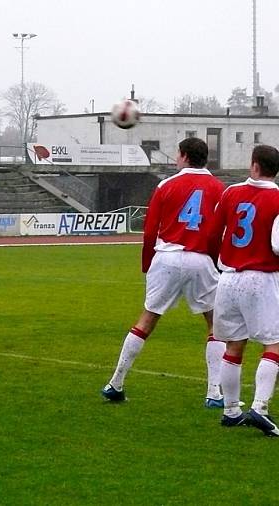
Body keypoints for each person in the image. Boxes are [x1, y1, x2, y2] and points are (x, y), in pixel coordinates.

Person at [101, 137, 226, 406]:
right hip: (200, 258)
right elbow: (218, 233)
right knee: (215, 324)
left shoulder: (166, 185)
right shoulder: (218, 188)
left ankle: (116, 382)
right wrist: (215, 262)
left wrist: (148, 264)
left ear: (183, 156)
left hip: (167, 257)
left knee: (147, 319)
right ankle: (214, 393)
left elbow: (149, 231)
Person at [209, 145, 279, 435]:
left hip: (228, 277)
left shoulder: (230, 192)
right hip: (261, 277)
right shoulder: (277, 198)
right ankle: (259, 407)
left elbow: (216, 232)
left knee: (234, 345)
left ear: (254, 166)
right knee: (274, 344)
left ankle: (230, 410)